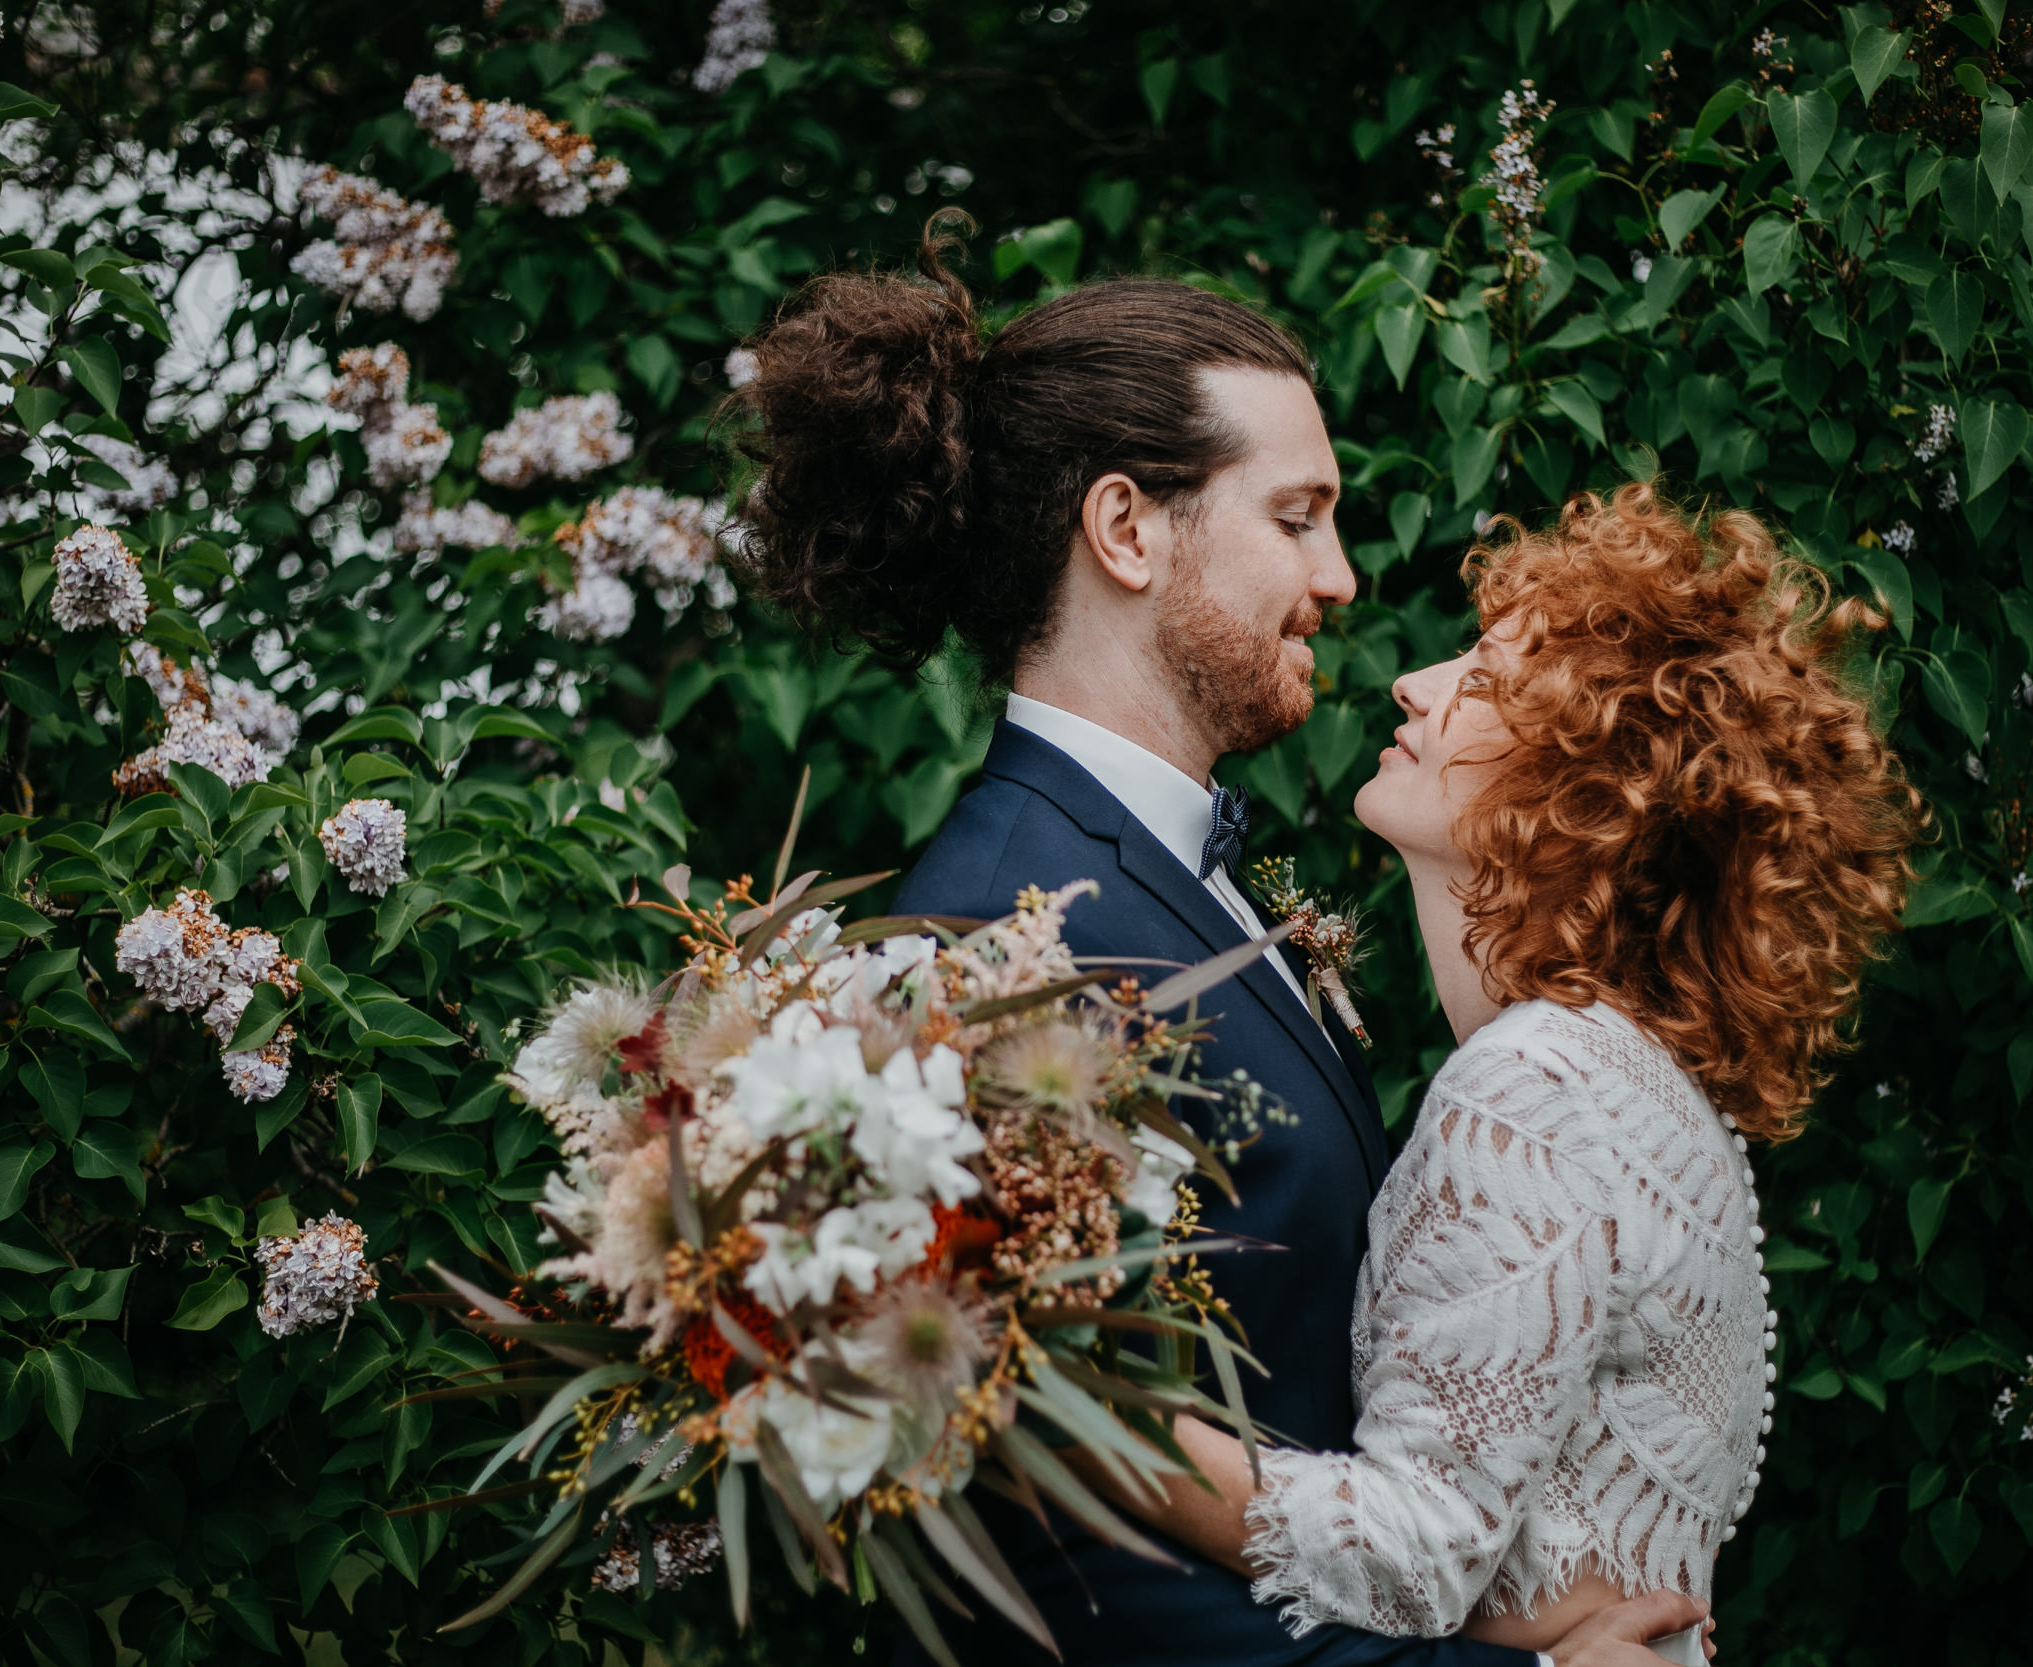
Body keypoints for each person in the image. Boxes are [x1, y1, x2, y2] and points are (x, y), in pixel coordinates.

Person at [730, 214, 1705, 1667]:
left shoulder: (1175, 883)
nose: (1344, 578)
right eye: (1297, 516)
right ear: (1127, 528)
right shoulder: (1002, 944)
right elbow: (1064, 1552)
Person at [1080, 485, 1922, 1664]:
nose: (1413, 685)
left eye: (1481, 674)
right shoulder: (1629, 1078)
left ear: (1582, 790)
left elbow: (1416, 1550)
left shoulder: (1535, 1084)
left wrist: (1077, 1413)